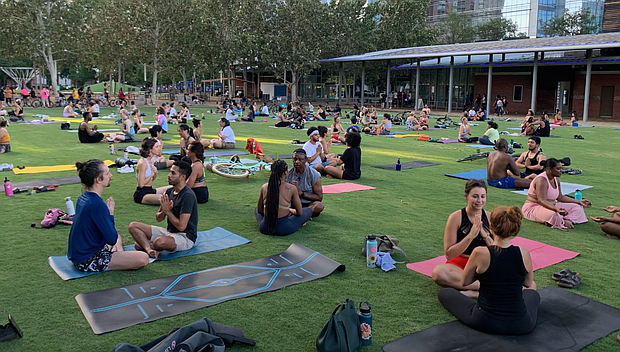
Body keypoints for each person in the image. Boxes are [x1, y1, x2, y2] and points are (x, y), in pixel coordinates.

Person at [438, 205, 539, 336]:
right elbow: (528, 283)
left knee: (445, 293)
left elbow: (465, 281)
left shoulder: (480, 253)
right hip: (521, 324)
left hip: (484, 320)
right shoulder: (524, 252)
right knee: (533, 294)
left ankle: (476, 294)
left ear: (490, 227)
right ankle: (478, 295)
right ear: (515, 230)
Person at [67, 159, 149, 272]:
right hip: (86, 260)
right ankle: (120, 255)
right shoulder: (96, 204)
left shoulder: (84, 197)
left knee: (118, 238)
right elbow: (111, 239)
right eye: (107, 173)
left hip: (80, 254)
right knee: (143, 258)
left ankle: (119, 254)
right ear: (98, 180)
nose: (110, 175)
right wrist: (110, 215)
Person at [432, 179, 493, 297]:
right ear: (466, 197)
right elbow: (449, 254)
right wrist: (471, 235)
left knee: (524, 281)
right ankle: (486, 288)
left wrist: (485, 235)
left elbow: (498, 250)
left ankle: (477, 291)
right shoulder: (456, 217)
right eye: (475, 196)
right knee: (438, 273)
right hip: (460, 265)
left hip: (484, 265)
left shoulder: (491, 217)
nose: (479, 200)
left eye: (483, 196)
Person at [128, 160, 199, 258]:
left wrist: (167, 211)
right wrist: (164, 211)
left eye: (173, 173)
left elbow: (181, 227)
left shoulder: (188, 196)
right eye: (170, 172)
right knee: (133, 226)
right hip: (169, 232)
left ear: (183, 177)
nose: (169, 175)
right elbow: (158, 218)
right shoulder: (169, 191)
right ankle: (149, 249)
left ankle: (148, 246)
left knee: (158, 242)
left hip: (185, 237)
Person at [522, 158, 591, 229]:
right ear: (549, 169)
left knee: (577, 208)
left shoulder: (556, 179)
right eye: (558, 169)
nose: (561, 171)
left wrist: (579, 201)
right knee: (554, 215)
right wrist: (555, 209)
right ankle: (561, 220)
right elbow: (541, 200)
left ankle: (567, 220)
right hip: (534, 207)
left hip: (552, 205)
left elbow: (560, 197)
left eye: (561, 168)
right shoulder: (541, 180)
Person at [255, 160, 312, 236]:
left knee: (256, 209)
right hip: (283, 228)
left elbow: (259, 210)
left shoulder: (264, 187)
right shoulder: (291, 188)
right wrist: (290, 210)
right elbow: (299, 212)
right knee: (308, 210)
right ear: (285, 173)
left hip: (265, 228)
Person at [285, 149, 325, 217]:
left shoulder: (314, 174)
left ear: (306, 160)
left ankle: (298, 214)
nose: (297, 162)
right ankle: (302, 215)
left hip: (307, 204)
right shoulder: (288, 173)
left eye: (300, 159)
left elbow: (319, 197)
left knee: (319, 206)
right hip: (291, 203)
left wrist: (301, 193)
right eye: (295, 159)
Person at [133, 138, 171, 205]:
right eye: (156, 147)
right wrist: (152, 174)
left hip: (150, 190)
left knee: (172, 188)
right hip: (142, 194)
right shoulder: (143, 163)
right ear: (150, 149)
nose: (159, 149)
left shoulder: (151, 161)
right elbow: (141, 185)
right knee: (165, 199)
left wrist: (155, 173)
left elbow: (151, 179)